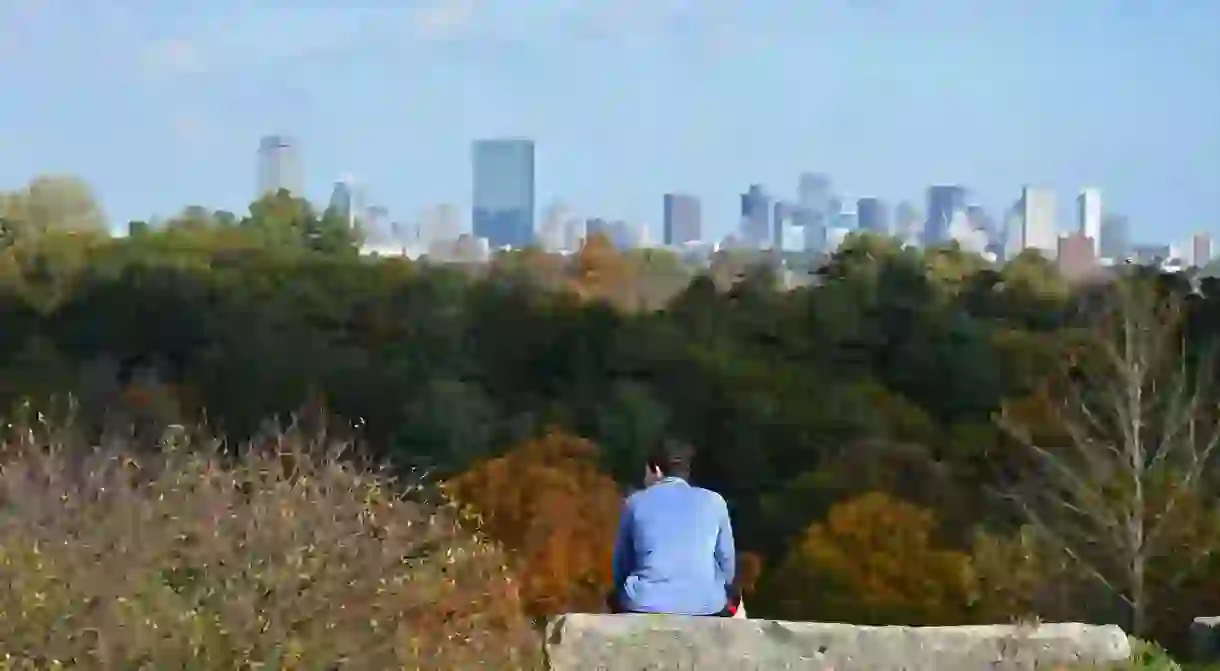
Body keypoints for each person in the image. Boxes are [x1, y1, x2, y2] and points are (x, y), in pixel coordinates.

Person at [609, 439, 738, 616]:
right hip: (707, 604)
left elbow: (621, 566)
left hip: (644, 602)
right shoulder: (715, 501)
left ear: (656, 469)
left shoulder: (635, 502)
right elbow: (727, 566)